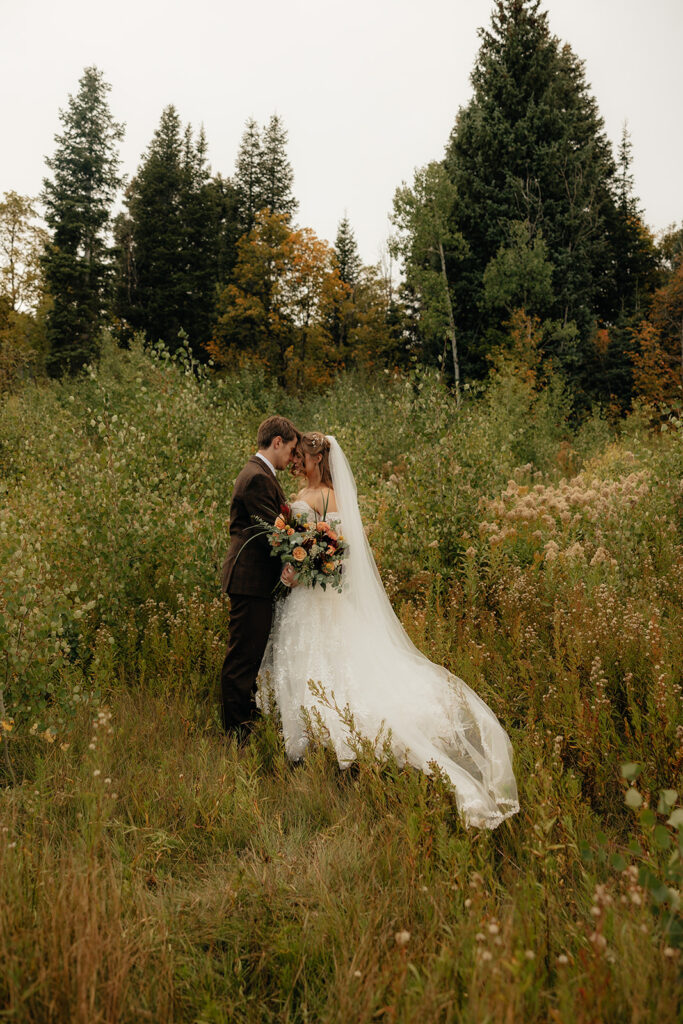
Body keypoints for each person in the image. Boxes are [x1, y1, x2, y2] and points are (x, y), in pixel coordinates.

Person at [259, 432, 519, 829]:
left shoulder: (313, 498)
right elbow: (333, 548)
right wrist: (310, 560)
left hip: (311, 596)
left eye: (301, 457)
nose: (295, 461)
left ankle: (320, 743)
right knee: (331, 660)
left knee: (317, 662)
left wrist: (297, 569)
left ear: (316, 460)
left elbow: (319, 548)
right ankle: (321, 740)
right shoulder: (332, 496)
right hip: (328, 597)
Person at [220, 415, 299, 736]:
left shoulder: (259, 473)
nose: (292, 458)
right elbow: (273, 534)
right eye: (291, 450)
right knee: (242, 658)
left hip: (253, 581)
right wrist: (303, 554)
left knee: (249, 655)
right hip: (250, 581)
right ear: (277, 442)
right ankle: (236, 730)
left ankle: (246, 718)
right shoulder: (257, 478)